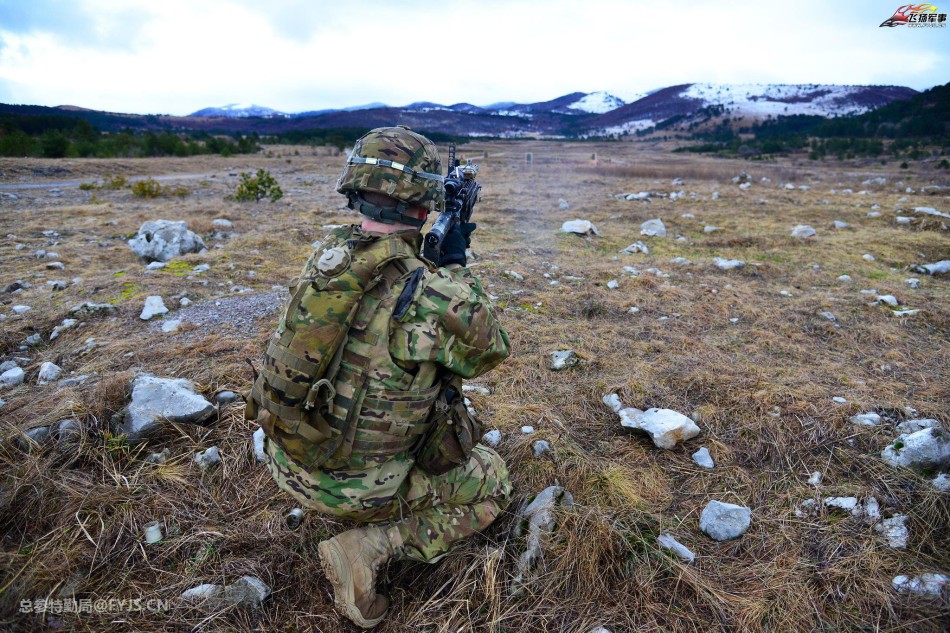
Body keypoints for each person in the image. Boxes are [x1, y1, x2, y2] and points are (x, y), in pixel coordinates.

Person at [249, 126, 512, 628]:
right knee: (494, 478)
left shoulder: (328, 256)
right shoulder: (435, 293)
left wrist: (425, 262)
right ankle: (370, 546)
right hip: (356, 491)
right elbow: (490, 347)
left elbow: (382, 286)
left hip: (286, 458)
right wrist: (454, 264)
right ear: (424, 200)